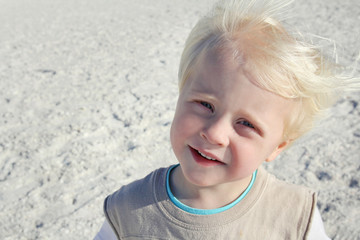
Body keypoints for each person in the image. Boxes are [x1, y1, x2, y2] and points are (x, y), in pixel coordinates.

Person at [95, 0, 359, 239]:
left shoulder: (294, 218)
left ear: (278, 146)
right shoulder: (127, 210)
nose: (215, 133)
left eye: (246, 123)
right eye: (205, 104)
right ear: (181, 91)